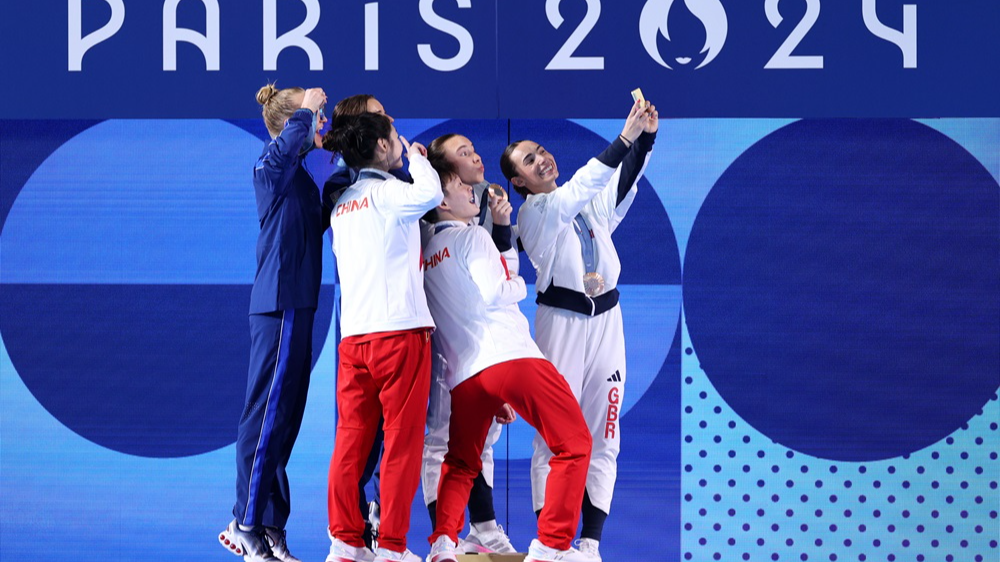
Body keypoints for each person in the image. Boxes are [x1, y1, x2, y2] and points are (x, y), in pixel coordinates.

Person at [500, 99, 658, 561]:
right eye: (529, 160)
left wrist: (645, 138)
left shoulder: (585, 203)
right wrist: (625, 137)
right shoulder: (534, 214)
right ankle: (550, 544)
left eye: (541, 151)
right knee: (555, 437)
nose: (542, 159)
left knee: (605, 435)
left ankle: (588, 546)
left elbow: (620, 182)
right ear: (518, 182)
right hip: (562, 325)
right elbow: (585, 184)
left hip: (608, 321)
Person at [419, 166, 596, 562]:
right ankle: (551, 545)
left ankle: (443, 543)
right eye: (461, 185)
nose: (472, 190)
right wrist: (521, 285)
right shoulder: (473, 236)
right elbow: (494, 292)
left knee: (460, 462)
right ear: (442, 201)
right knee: (575, 444)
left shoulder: (425, 255)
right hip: (512, 356)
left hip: (466, 377)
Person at [324, 111, 443, 562]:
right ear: (380, 147)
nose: (400, 142)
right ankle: (392, 546)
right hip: (399, 334)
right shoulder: (390, 192)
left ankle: (345, 542)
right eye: (395, 137)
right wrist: (418, 159)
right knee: (401, 441)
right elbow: (431, 193)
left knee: (351, 440)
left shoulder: (341, 205)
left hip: (355, 339)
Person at [218, 83, 329, 562]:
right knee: (264, 415)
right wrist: (306, 111)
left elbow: (315, 223)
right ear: (291, 123)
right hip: (278, 304)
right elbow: (284, 149)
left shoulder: (298, 176)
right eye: (315, 115)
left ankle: (268, 524)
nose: (321, 121)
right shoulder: (270, 166)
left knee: (284, 418)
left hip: (299, 305)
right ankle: (243, 522)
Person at [419, 134, 517, 554]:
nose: (475, 156)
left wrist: (502, 228)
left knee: (483, 438)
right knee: (442, 439)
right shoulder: (427, 219)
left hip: (485, 346)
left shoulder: (482, 208)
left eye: (474, 149)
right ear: (443, 174)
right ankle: (444, 538)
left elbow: (494, 273)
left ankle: (483, 529)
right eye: (463, 154)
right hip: (446, 346)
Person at [320, 94, 406, 556]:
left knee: (398, 433)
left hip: (409, 311)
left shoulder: (397, 176)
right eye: (378, 115)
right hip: (369, 322)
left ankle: (374, 525)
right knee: (360, 433)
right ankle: (352, 531)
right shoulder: (343, 185)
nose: (388, 118)